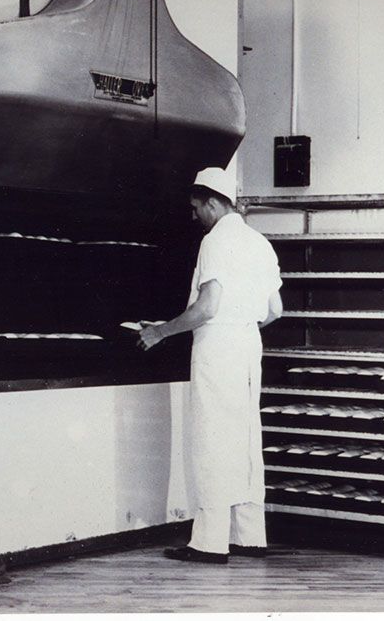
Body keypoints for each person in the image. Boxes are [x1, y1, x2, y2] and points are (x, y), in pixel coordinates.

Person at [138, 166, 283, 564]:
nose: (194, 215)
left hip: (218, 346)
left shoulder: (216, 242)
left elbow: (207, 308)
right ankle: (250, 536)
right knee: (246, 439)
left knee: (211, 440)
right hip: (249, 344)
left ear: (215, 203)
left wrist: (160, 332)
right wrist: (242, 322)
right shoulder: (259, 243)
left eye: (196, 207)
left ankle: (209, 542)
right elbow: (275, 310)